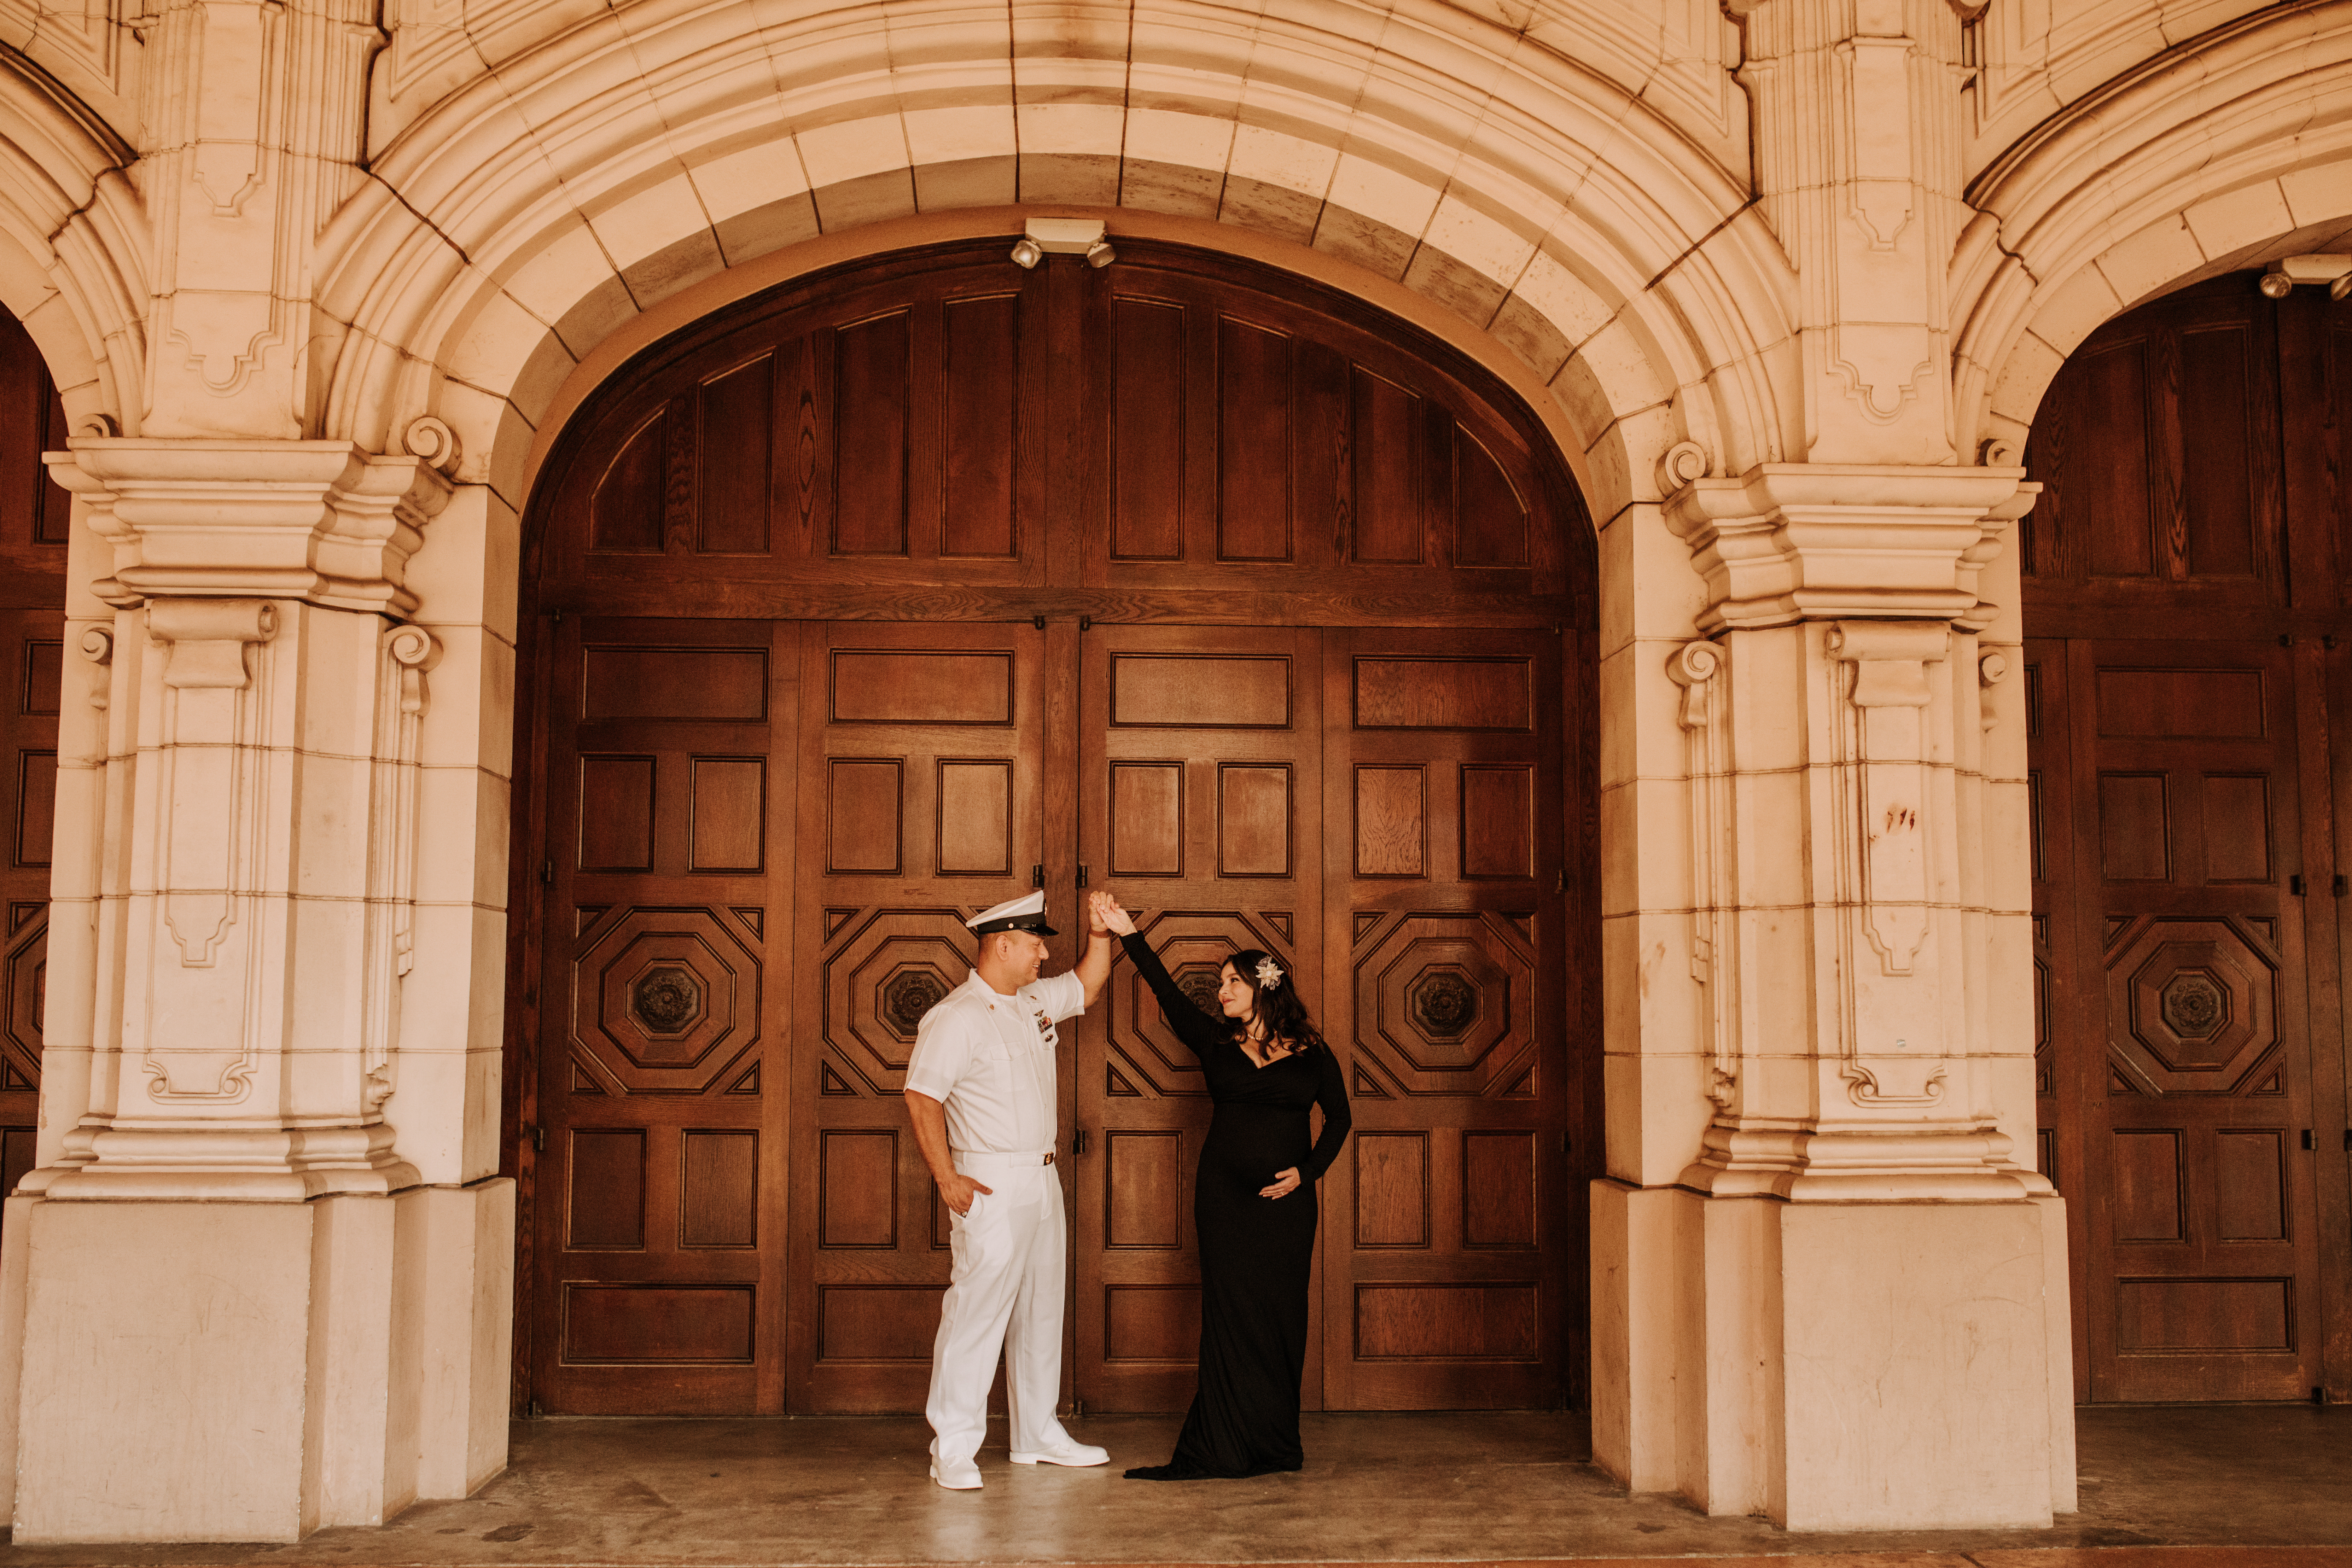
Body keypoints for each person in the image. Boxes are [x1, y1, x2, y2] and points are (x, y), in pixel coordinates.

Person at [1091, 891, 1351, 1480]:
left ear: (1265, 988)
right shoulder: (1215, 1042)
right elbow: (1165, 991)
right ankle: (1222, 1446)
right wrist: (1127, 932)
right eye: (1223, 984)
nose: (1223, 992)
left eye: (1234, 982)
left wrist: (1307, 1172)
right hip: (1225, 1203)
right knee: (1230, 1317)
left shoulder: (1313, 1052)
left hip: (1288, 1210)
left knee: (1280, 1316)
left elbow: (1340, 1119)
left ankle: (1277, 1445)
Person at [904, 889, 1116, 1490]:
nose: (1043, 955)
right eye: (1034, 943)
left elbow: (1087, 986)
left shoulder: (1031, 1002)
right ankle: (954, 1445)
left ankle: (1037, 1434)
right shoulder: (957, 1016)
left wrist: (1101, 936)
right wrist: (947, 1177)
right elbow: (922, 1096)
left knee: (1041, 1310)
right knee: (977, 1313)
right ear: (1002, 944)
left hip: (1042, 1176)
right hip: (990, 1181)